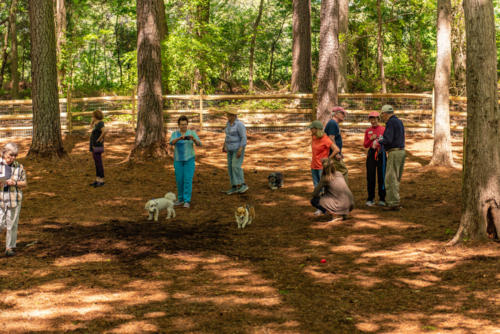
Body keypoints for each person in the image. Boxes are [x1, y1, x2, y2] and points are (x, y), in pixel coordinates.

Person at [373, 104, 405, 211]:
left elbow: (388, 139)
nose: (382, 116)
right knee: (395, 177)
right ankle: (394, 200)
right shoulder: (399, 121)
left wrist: (380, 140)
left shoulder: (391, 122)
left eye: (382, 114)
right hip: (400, 152)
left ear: (385, 113)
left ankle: (392, 203)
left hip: (394, 152)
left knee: (391, 178)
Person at [0, 143, 27, 257]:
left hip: (14, 199)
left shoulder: (19, 167)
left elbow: (24, 183)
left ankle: (9, 248)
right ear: (4, 153)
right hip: (0, 199)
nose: (13, 158)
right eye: (11, 155)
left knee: (12, 225)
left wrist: (15, 183)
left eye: (15, 155)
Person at [169, 115, 202, 208]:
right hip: (178, 160)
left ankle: (187, 200)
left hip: (189, 160)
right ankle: (180, 199)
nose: (183, 126)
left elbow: (200, 144)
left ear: (187, 125)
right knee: (179, 180)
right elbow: (171, 142)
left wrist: (194, 139)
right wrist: (180, 138)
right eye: (182, 124)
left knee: (187, 180)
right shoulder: (175, 134)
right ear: (178, 125)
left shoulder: (191, 133)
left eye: (185, 124)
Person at [363, 111, 386, 207]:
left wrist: (381, 141)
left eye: (375, 119)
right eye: (371, 119)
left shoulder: (384, 129)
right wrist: (370, 139)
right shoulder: (368, 131)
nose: (373, 121)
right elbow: (365, 145)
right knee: (370, 176)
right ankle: (370, 198)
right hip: (372, 154)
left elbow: (387, 141)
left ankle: (382, 198)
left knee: (382, 176)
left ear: (378, 119)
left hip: (381, 153)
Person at [222, 110, 248, 195]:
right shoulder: (228, 124)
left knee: (235, 166)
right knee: (230, 167)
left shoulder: (239, 125)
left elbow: (243, 137)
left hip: (237, 148)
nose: (227, 117)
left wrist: (241, 149)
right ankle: (234, 186)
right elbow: (227, 136)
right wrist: (224, 145)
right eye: (227, 115)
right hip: (230, 148)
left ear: (234, 116)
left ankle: (243, 184)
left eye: (229, 115)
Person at [308, 120, 339, 188]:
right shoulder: (314, 137)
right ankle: (317, 197)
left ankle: (323, 197)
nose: (310, 129)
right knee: (316, 185)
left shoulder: (325, 139)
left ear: (316, 129)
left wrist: (328, 159)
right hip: (313, 165)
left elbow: (336, 150)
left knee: (322, 186)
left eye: (311, 128)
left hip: (322, 166)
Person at [324, 106, 349, 183]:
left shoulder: (334, 123)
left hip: (333, 154)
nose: (344, 115)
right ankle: (344, 193)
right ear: (336, 114)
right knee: (343, 171)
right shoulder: (332, 123)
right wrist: (337, 153)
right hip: (333, 155)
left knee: (332, 174)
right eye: (342, 113)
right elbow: (331, 138)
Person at [89, 110, 107, 187]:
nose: (92, 117)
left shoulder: (100, 123)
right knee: (96, 163)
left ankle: (102, 180)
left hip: (97, 145)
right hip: (93, 145)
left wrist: (99, 139)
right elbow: (90, 128)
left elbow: (104, 132)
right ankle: (97, 179)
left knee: (99, 163)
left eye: (93, 116)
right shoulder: (96, 124)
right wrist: (92, 122)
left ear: (96, 116)